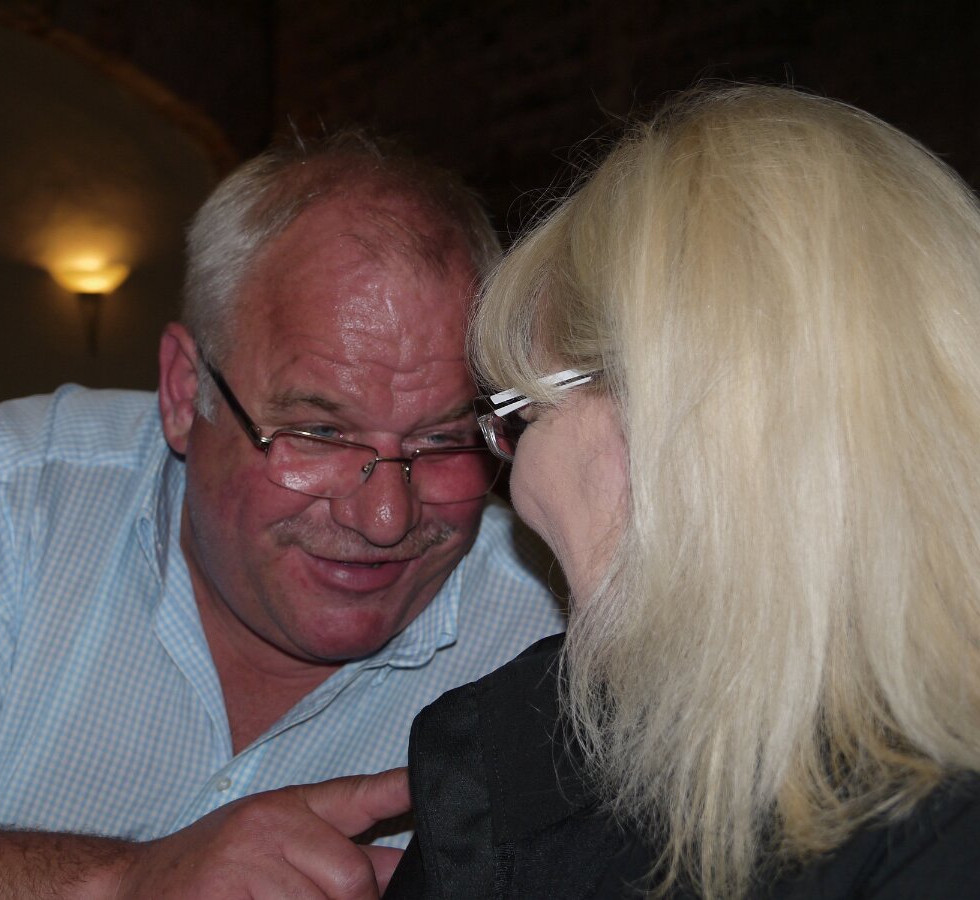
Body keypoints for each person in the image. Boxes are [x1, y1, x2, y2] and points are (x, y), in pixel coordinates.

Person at [0, 133, 565, 897]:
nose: (387, 517)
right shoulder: (7, 500)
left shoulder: (556, 634)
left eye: (443, 440)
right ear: (186, 392)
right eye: (319, 434)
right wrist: (125, 883)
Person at [387, 85, 980, 899]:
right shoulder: (508, 767)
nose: (516, 485)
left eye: (521, 414)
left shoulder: (527, 788)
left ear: (676, 417)